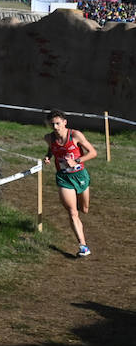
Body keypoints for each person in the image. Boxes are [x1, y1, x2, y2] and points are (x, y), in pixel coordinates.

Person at [42, 109, 97, 257]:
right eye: (52, 124)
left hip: (80, 175)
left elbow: (93, 152)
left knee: (84, 209)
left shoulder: (75, 135)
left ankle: (78, 205)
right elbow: (51, 150)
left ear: (65, 122)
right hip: (63, 178)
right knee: (72, 212)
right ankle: (83, 246)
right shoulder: (49, 138)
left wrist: (76, 161)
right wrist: (47, 157)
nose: (55, 127)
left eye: (58, 124)